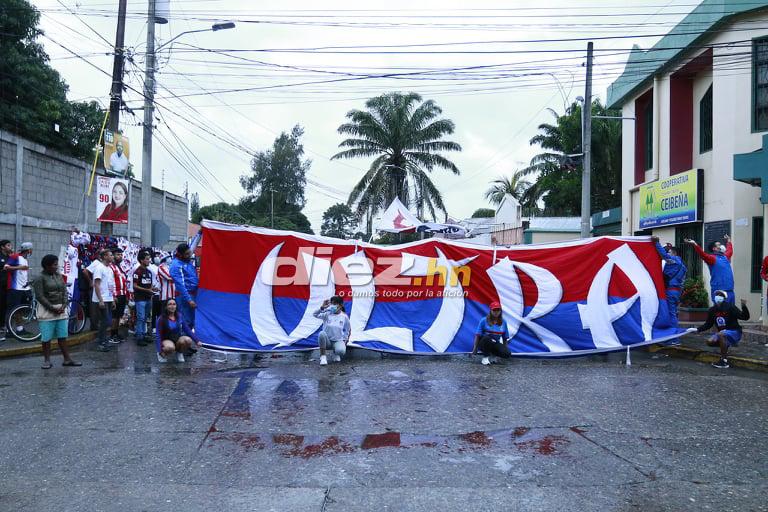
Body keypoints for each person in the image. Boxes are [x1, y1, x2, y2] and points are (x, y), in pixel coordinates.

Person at [32, 255, 81, 369]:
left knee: (62, 336)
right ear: (47, 266)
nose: (57, 266)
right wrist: (52, 308)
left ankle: (67, 359)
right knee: (46, 338)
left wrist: (64, 305)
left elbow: (64, 291)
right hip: (46, 311)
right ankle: (47, 360)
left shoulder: (58, 275)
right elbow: (40, 296)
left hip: (61, 310)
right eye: (54, 264)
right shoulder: (39, 278)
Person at [689, 290, 750, 369]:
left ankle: (723, 361)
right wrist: (697, 329)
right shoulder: (712, 310)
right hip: (722, 333)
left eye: (720, 295)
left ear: (724, 298)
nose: (718, 296)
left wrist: (744, 306)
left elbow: (745, 317)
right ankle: (725, 346)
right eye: (717, 295)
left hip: (734, 331)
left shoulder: (730, 307)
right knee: (710, 342)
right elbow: (708, 324)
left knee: (721, 334)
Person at [652, 236, 687, 345]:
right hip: (677, 291)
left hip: (670, 291)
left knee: (671, 314)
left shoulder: (674, 260)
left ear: (675, 253)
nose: (669, 253)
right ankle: (671, 337)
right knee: (674, 314)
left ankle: (674, 339)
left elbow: (665, 256)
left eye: (671, 252)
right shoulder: (684, 266)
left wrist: (657, 243)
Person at [684, 234, 734, 304]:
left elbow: (730, 250)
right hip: (719, 290)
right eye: (718, 245)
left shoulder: (725, 257)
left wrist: (728, 241)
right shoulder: (712, 258)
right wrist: (694, 244)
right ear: (714, 248)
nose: (721, 246)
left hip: (730, 290)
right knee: (721, 313)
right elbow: (703, 254)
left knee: (731, 313)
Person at [155, 298, 198, 363]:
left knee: (188, 340)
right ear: (166, 307)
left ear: (176, 306)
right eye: (170, 304)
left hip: (177, 338)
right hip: (166, 340)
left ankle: (179, 353)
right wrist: (159, 350)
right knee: (170, 347)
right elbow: (158, 335)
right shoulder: (161, 318)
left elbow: (187, 329)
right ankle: (161, 354)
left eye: (174, 304)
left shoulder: (179, 315)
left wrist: (197, 341)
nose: (172, 306)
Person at [5, 242, 33, 338]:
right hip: (15, 288)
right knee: (12, 309)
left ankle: (19, 329)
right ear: (29, 250)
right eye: (31, 249)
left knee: (20, 309)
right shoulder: (15, 257)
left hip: (23, 288)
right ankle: (9, 331)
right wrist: (20, 267)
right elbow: (6, 267)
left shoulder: (25, 259)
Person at [90, 249, 116, 352]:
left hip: (108, 298)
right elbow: (96, 284)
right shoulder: (99, 268)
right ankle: (101, 342)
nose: (112, 257)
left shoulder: (109, 269)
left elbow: (110, 285)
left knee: (108, 321)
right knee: (106, 321)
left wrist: (113, 299)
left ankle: (104, 340)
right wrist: (100, 300)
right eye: (111, 255)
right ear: (105, 256)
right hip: (102, 298)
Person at [313, 296, 350, 366]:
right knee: (321, 334)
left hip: (337, 340)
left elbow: (347, 329)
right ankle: (323, 357)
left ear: (341, 305)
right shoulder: (327, 313)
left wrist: (345, 341)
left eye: (335, 304)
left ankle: (336, 353)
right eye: (332, 303)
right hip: (327, 341)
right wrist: (322, 307)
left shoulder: (344, 316)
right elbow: (315, 314)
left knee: (341, 351)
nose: (333, 306)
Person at [472, 301, 512, 365]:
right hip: (483, 342)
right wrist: (475, 348)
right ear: (490, 311)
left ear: (500, 311)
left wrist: (504, 349)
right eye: (494, 310)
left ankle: (493, 356)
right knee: (487, 338)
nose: (496, 312)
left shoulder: (504, 322)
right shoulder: (483, 320)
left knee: (507, 353)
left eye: (498, 310)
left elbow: (505, 338)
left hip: (494, 342)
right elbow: (477, 335)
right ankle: (485, 358)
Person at [170, 243, 199, 329]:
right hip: (184, 296)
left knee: (192, 320)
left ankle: (187, 339)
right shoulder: (176, 265)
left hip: (193, 294)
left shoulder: (186, 258)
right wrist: (189, 300)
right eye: (187, 254)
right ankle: (183, 339)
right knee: (186, 321)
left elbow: (194, 244)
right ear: (180, 254)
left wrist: (200, 232)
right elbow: (180, 285)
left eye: (189, 253)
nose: (189, 255)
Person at [132, 250, 154, 347]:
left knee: (145, 318)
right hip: (140, 298)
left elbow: (149, 285)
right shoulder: (137, 271)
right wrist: (147, 290)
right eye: (147, 259)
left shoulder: (149, 272)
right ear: (141, 260)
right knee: (140, 318)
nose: (149, 261)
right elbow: (135, 285)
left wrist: (153, 289)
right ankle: (139, 337)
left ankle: (143, 334)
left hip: (148, 298)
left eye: (149, 259)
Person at [108, 247, 128, 344]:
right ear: (113, 256)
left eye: (121, 254)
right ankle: (112, 335)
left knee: (118, 316)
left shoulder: (120, 267)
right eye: (117, 254)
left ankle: (116, 333)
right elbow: (110, 283)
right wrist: (113, 296)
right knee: (114, 317)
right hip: (116, 295)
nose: (120, 256)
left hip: (123, 294)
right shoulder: (110, 267)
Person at [0, 240, 12, 341]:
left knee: (5, 305)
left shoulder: (10, 257)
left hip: (8, 285)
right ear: (2, 247)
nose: (10, 247)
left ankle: (3, 324)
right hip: (1, 284)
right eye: (8, 245)